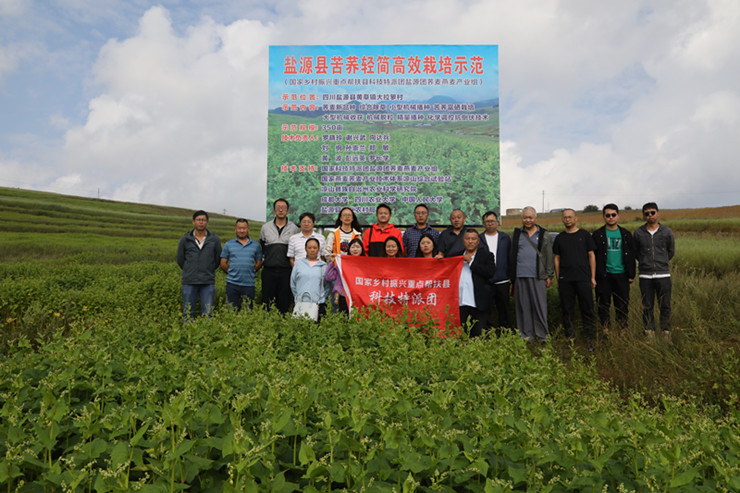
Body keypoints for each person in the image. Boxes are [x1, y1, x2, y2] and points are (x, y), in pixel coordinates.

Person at [507, 207, 554, 343]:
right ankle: (526, 336)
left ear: (535, 218)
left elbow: (548, 256)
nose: (528, 220)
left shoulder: (544, 234)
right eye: (525, 217)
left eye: (530, 217)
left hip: (538, 276)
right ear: (522, 218)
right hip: (520, 275)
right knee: (523, 307)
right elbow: (512, 254)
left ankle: (542, 336)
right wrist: (512, 276)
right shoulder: (516, 234)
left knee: (539, 307)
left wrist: (549, 275)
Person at [552, 208, 597, 346]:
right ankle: (570, 337)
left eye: (570, 217)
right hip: (566, 280)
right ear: (562, 220)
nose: (567, 220)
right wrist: (558, 278)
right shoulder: (559, 238)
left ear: (576, 218)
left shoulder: (584, 235)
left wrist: (593, 277)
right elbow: (556, 259)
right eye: (565, 217)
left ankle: (589, 337)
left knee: (587, 308)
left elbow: (591, 255)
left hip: (583, 278)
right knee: (567, 309)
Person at [633, 202, 675, 338]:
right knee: (647, 306)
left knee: (665, 305)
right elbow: (636, 252)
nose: (650, 215)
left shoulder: (667, 232)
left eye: (652, 212)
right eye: (647, 213)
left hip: (663, 275)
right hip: (645, 276)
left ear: (658, 213)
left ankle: (665, 333)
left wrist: (661, 262)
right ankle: (649, 333)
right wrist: (645, 262)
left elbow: (671, 251)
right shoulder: (638, 233)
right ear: (643, 215)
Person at [592, 204, 636, 330]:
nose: (611, 218)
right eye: (607, 215)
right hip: (603, 275)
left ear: (618, 215)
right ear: (604, 217)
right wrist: (593, 276)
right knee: (603, 305)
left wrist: (631, 274)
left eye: (613, 215)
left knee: (622, 305)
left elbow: (631, 255)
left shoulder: (626, 234)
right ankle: (605, 331)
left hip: (621, 275)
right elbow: (592, 256)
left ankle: (622, 330)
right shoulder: (598, 234)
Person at [176, 210, 222, 320]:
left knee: (208, 313)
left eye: (203, 220)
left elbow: (217, 259)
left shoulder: (214, 240)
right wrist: (190, 269)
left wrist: (208, 269)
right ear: (193, 222)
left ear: (207, 222)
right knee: (188, 312)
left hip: (207, 281)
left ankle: (206, 335)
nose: (201, 222)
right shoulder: (185, 239)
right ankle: (188, 334)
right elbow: (180, 259)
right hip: (189, 281)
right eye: (198, 220)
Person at [260, 198, 300, 314]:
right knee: (267, 302)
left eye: (283, 208)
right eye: (278, 207)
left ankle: (283, 326)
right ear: (274, 211)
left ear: (288, 211)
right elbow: (263, 247)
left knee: (285, 302)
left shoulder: (294, 228)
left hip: (286, 271)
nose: (281, 210)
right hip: (269, 270)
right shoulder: (265, 228)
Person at [458, 229, 496, 337]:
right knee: (462, 334)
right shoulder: (456, 256)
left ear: (478, 241)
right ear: (463, 240)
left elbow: (490, 272)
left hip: (478, 303)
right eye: (467, 238)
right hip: (460, 302)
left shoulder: (487, 255)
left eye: (473, 239)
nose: (470, 241)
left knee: (479, 334)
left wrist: (471, 262)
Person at [479, 211, 512, 331]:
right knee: (486, 310)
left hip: (502, 280)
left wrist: (509, 275)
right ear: (483, 223)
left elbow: (510, 257)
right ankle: (487, 333)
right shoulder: (479, 239)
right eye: (487, 221)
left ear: (497, 222)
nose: (490, 224)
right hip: (486, 281)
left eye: (492, 221)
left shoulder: (505, 238)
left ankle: (504, 332)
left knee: (504, 309)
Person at [220, 218, 262, 309]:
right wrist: (231, 272)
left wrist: (251, 271)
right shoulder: (228, 244)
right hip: (232, 284)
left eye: (244, 228)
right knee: (231, 310)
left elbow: (259, 262)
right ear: (235, 229)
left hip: (249, 284)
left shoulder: (255, 245)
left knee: (248, 310)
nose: (242, 231)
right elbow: (223, 263)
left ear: (248, 229)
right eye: (239, 228)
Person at [290, 237, 330, 320]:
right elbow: (293, 283)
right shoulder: (298, 264)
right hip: (301, 302)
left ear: (318, 249)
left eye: (315, 248)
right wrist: (297, 296)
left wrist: (323, 298)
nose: (312, 250)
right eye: (309, 247)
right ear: (305, 249)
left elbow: (327, 285)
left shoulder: (323, 266)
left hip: (318, 304)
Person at [326, 237, 365, 314]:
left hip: (360, 297)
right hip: (343, 296)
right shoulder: (342, 263)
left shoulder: (366, 264)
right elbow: (329, 277)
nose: (355, 249)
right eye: (353, 247)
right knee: (343, 320)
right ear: (349, 249)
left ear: (362, 249)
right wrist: (331, 263)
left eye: (358, 247)